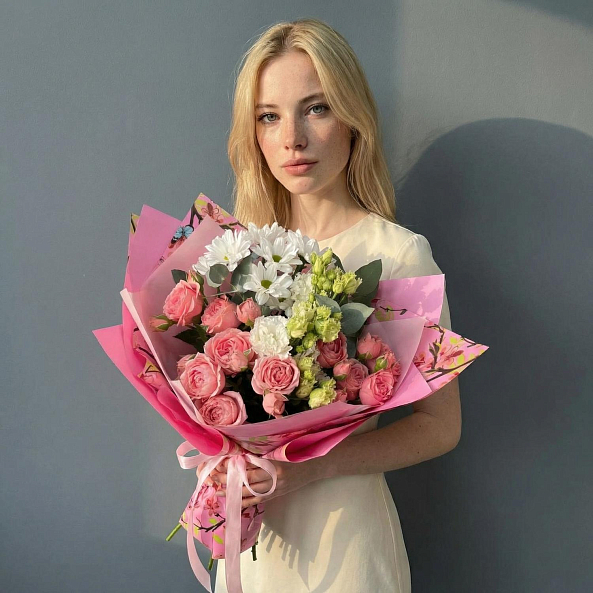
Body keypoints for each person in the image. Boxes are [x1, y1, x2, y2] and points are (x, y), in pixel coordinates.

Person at [208, 18, 462, 593]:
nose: (292, 138)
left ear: (352, 119)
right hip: (252, 543)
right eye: (269, 116)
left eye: (316, 109)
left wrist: (309, 469)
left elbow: (440, 427)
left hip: (346, 545)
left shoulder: (398, 254)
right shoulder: (238, 255)